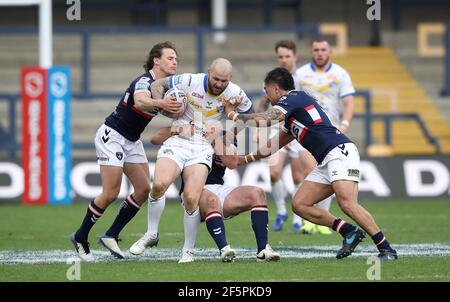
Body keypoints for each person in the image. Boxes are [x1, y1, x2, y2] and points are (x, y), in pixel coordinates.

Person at [225, 67, 398, 260]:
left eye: (266, 90)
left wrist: (232, 115)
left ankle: (386, 249)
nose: (267, 96)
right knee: (300, 204)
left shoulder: (293, 98)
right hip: (327, 159)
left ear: (275, 88)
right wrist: (244, 159)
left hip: (339, 151)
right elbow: (272, 145)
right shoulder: (293, 114)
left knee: (347, 203)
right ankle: (349, 231)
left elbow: (266, 119)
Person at [69, 41, 183, 261]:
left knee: (143, 190)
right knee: (111, 192)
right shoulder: (144, 81)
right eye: (170, 57)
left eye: (176, 59)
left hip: (131, 140)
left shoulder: (168, 87)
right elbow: (140, 103)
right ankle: (80, 236)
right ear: (156, 60)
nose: (175, 61)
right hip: (112, 136)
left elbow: (166, 109)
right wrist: (163, 104)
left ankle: (111, 234)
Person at [131, 58, 253, 263]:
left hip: (203, 147)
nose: (219, 84)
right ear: (208, 73)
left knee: (190, 197)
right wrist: (165, 108)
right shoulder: (189, 81)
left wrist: (228, 137)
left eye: (224, 81)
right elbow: (156, 85)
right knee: (159, 185)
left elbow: (247, 115)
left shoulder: (235, 93)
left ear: (230, 79)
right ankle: (151, 234)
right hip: (178, 138)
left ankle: (188, 251)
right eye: (216, 79)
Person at [131, 126, 280, 263]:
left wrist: (215, 140)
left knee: (257, 193)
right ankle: (224, 249)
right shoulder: (190, 129)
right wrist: (178, 129)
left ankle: (263, 250)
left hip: (217, 187)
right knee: (211, 199)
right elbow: (155, 138)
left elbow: (232, 163)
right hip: (193, 191)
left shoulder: (225, 136)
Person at [292, 37, 356, 235]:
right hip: (308, 132)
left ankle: (322, 218)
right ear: (312, 52)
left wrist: (344, 123)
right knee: (311, 169)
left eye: (323, 49)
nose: (320, 53)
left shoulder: (340, 73)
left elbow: (349, 101)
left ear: (330, 52)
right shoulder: (300, 74)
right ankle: (312, 219)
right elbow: (291, 100)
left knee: (327, 173)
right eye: (316, 49)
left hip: (332, 132)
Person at [256, 40, 316, 233]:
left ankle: (298, 218)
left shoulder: (304, 78)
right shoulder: (272, 79)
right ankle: (281, 211)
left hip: (298, 129)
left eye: (287, 56)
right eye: (280, 56)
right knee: (274, 172)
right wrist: (258, 128)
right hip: (277, 128)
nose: (284, 60)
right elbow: (263, 104)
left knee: (298, 175)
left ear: (295, 57)